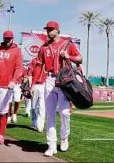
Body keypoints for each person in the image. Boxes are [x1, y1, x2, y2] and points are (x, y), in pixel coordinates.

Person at [33, 21, 83, 156]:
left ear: (57, 30)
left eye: (51, 29)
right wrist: (34, 84)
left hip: (64, 81)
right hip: (49, 80)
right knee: (50, 114)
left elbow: (80, 59)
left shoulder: (67, 44)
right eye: (47, 29)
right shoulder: (44, 47)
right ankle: (51, 145)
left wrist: (69, 56)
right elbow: (38, 65)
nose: (48, 32)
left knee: (65, 112)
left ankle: (64, 137)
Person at [28, 57, 47, 133]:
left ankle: (40, 125)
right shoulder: (34, 60)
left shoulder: (48, 61)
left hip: (44, 85)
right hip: (34, 85)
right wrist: (30, 86)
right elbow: (29, 74)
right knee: (33, 106)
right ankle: (34, 122)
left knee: (42, 106)